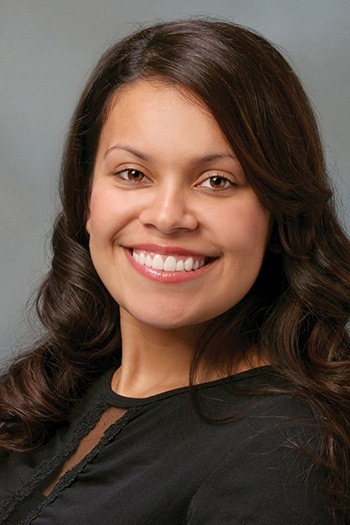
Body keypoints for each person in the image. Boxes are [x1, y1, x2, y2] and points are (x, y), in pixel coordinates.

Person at [0, 18, 349, 524]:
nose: (166, 217)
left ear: (278, 215)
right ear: (85, 198)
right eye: (133, 174)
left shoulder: (282, 455)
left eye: (216, 181)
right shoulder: (51, 389)